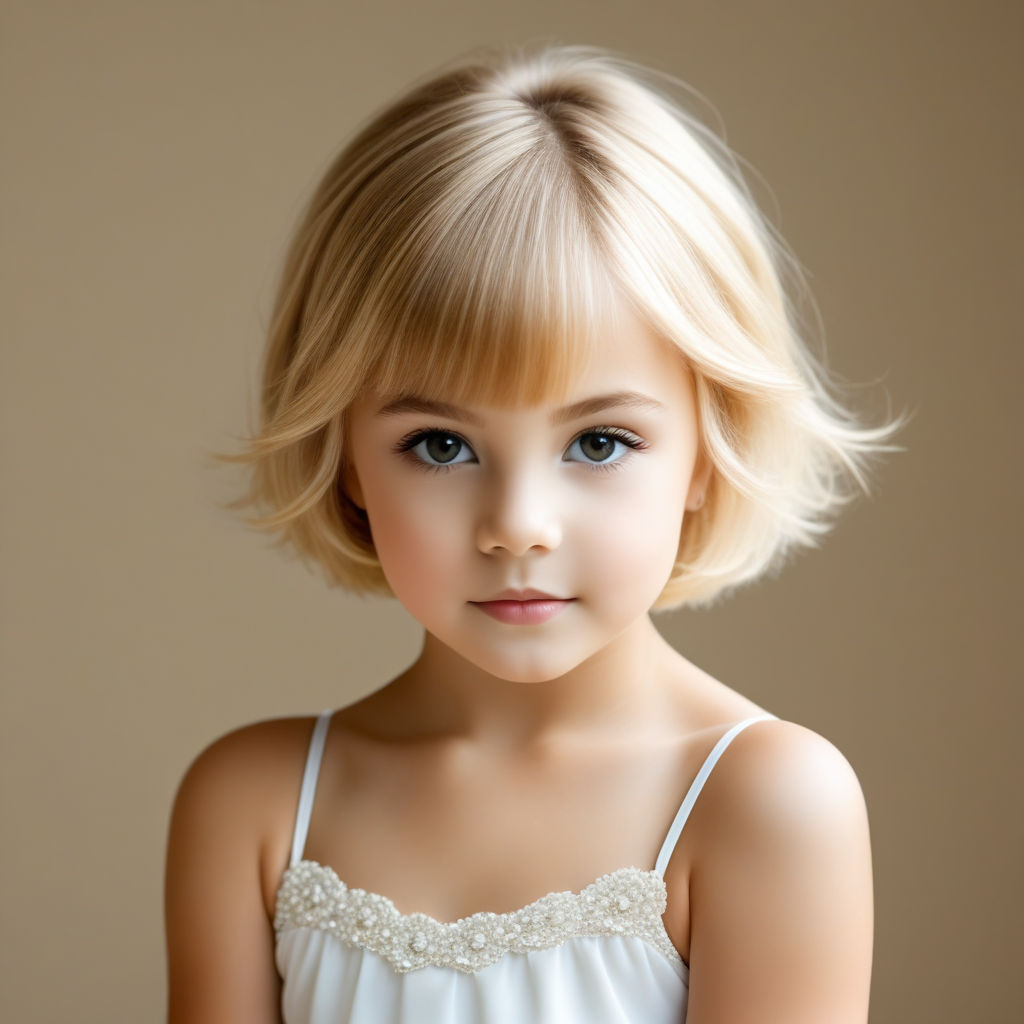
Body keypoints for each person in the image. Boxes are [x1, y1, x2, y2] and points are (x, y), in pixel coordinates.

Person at [164, 44, 900, 1023]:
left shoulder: (763, 803)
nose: (517, 526)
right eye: (438, 445)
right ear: (343, 457)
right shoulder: (252, 805)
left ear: (705, 451)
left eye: (597, 440)